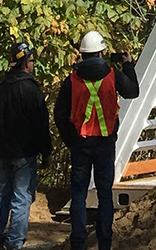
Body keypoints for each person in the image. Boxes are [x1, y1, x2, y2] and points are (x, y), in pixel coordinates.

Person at [54, 31, 138, 250]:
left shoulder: (72, 80)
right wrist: (128, 65)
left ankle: (78, 243)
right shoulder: (112, 74)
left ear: (82, 55)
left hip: (80, 144)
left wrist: (70, 139)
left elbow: (59, 114)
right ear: (101, 52)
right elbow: (133, 91)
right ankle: (104, 243)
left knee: (79, 195)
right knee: (104, 195)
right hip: (105, 143)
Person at [0, 41, 50, 250]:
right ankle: (13, 242)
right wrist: (46, 152)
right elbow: (41, 125)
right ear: (25, 64)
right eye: (31, 60)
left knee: (3, 194)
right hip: (23, 153)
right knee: (22, 197)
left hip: (3, 153)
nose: (33, 64)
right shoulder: (30, 91)